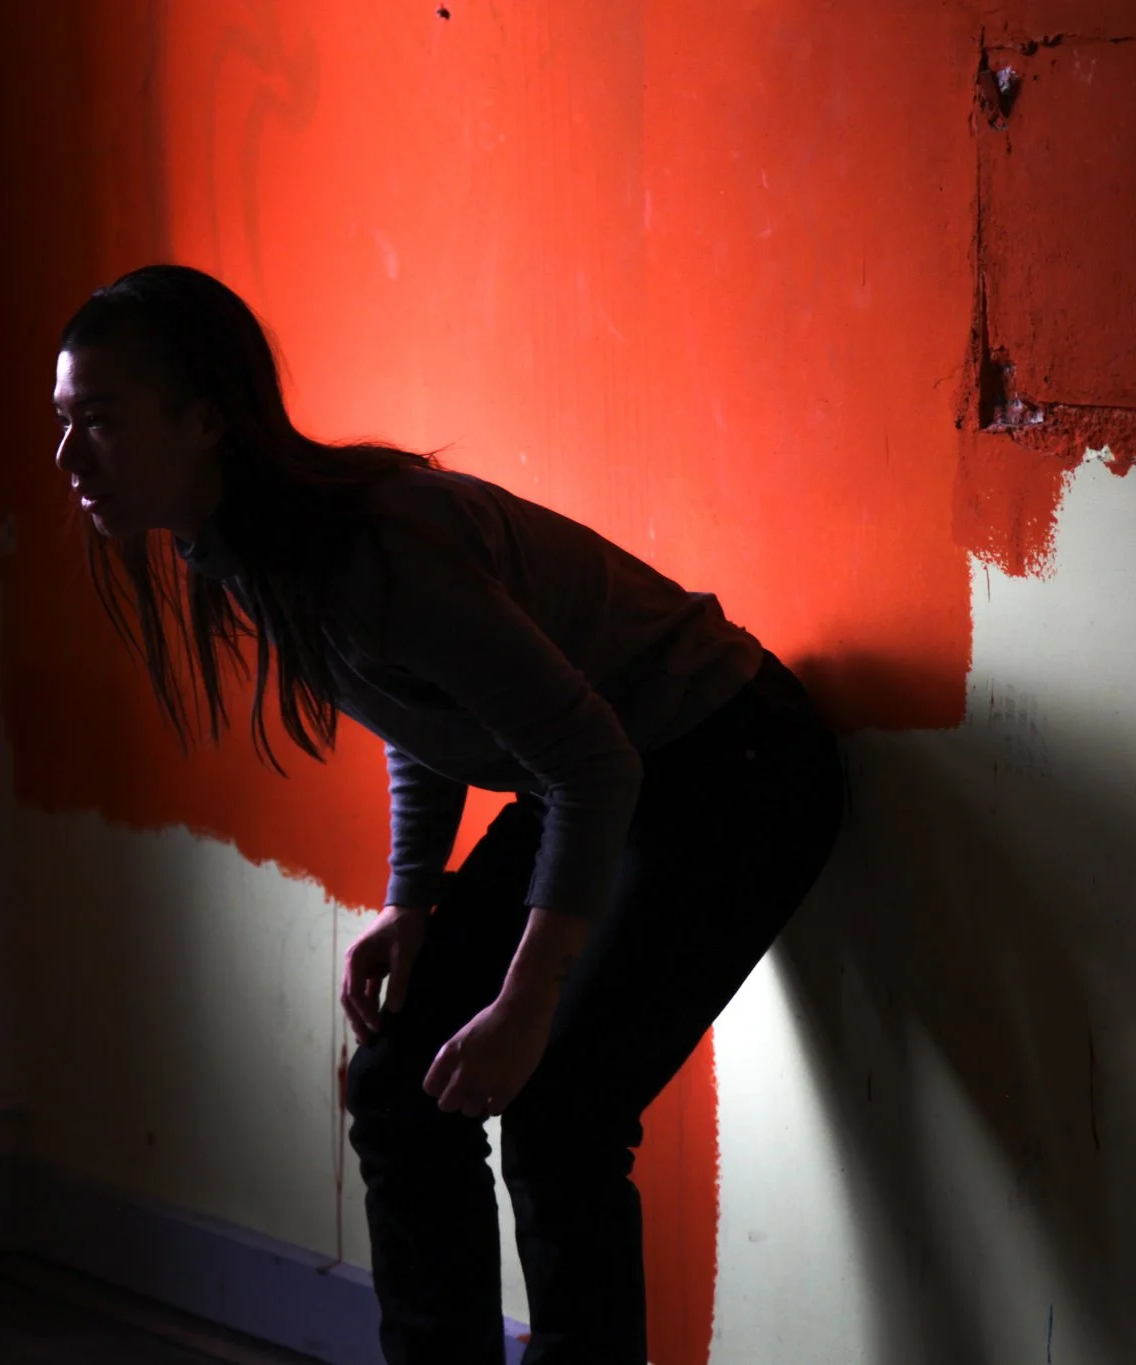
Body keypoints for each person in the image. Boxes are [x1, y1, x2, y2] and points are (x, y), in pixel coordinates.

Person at [52, 264, 848, 1365]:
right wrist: (412, 900)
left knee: (562, 1109)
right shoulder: (240, 547)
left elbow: (591, 764)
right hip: (605, 770)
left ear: (203, 421)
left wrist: (525, 1002)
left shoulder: (375, 547)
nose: (67, 458)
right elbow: (416, 704)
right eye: (62, 423)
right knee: (395, 1085)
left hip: (730, 762)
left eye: (98, 420)